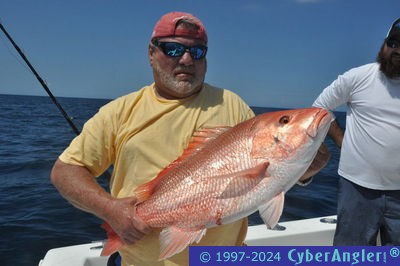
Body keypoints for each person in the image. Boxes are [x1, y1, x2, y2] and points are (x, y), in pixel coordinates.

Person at [51, 11, 329, 266]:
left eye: (197, 52)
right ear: (151, 53)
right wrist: (112, 210)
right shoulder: (119, 112)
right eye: (173, 49)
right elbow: (65, 171)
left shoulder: (232, 105)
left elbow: (264, 181)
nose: (186, 60)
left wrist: (304, 171)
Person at [312, 18, 400, 246]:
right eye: (394, 42)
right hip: (357, 189)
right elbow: (319, 109)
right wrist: (341, 139)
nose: (398, 50)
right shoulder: (358, 77)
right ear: (384, 44)